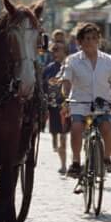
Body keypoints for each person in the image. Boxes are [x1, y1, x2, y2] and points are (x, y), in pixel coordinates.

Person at [61, 23, 111, 181]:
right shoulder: (73, 60)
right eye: (86, 38)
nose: (90, 41)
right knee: (76, 128)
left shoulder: (107, 60)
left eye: (94, 38)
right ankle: (76, 162)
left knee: (107, 128)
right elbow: (67, 82)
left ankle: (107, 159)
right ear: (80, 42)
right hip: (79, 103)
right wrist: (66, 98)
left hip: (103, 104)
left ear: (99, 40)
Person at [43, 41, 68, 175]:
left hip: (69, 105)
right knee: (61, 137)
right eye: (54, 50)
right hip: (54, 107)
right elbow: (43, 87)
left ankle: (72, 163)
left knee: (64, 137)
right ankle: (63, 164)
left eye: (58, 49)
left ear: (65, 51)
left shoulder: (71, 65)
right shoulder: (49, 68)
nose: (56, 52)